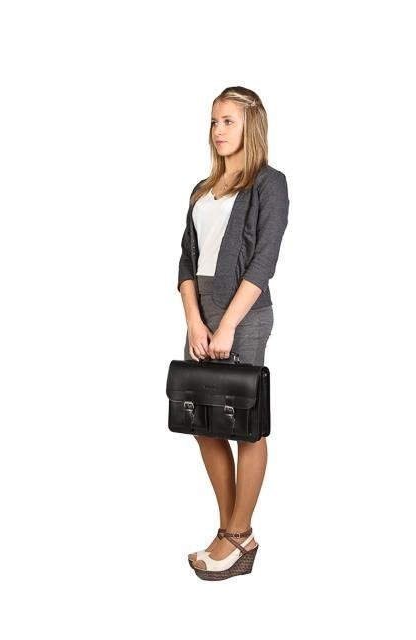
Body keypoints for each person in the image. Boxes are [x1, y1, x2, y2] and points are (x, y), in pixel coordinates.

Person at [177, 86, 289, 580]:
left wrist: (227, 324)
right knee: (203, 423)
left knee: (245, 424)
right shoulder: (203, 188)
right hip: (202, 318)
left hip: (244, 315)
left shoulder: (269, 183)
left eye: (228, 121)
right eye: (214, 121)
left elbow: (264, 260)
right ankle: (231, 532)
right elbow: (186, 259)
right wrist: (194, 319)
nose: (218, 130)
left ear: (251, 125)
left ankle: (239, 533)